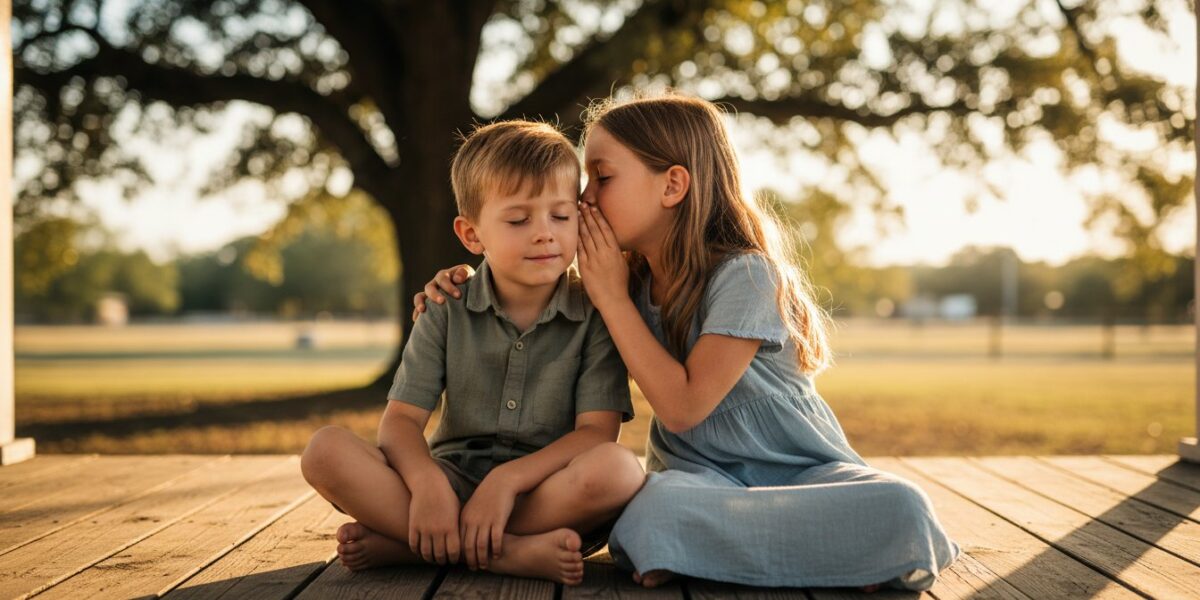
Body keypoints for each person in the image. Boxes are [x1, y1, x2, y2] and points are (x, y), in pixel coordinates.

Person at [415, 94, 960, 591]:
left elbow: (683, 408)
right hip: (699, 481)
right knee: (651, 514)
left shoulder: (744, 275)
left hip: (801, 472)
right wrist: (454, 283)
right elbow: (525, 287)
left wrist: (612, 298)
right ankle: (841, 555)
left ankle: (827, 546)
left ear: (672, 186)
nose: (583, 198)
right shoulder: (622, 282)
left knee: (900, 506)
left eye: (602, 177)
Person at [301, 120, 645, 586]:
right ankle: (502, 552)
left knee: (619, 470)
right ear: (471, 234)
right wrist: (427, 485)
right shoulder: (447, 305)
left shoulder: (594, 313)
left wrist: (506, 481)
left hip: (542, 500)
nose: (544, 233)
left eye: (561, 216)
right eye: (519, 219)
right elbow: (400, 421)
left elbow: (595, 435)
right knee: (324, 451)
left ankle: (419, 547)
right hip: (446, 484)